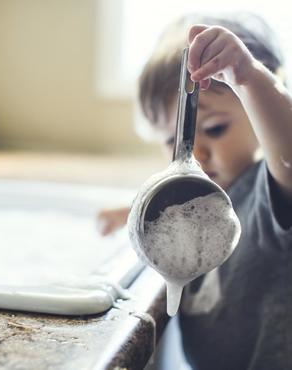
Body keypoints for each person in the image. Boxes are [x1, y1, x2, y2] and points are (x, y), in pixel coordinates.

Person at [97, 12, 292, 370]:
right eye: (173, 140)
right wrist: (133, 212)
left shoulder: (270, 196)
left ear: (258, 119)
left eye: (216, 129)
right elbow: (183, 213)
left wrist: (248, 79)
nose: (197, 153)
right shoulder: (203, 201)